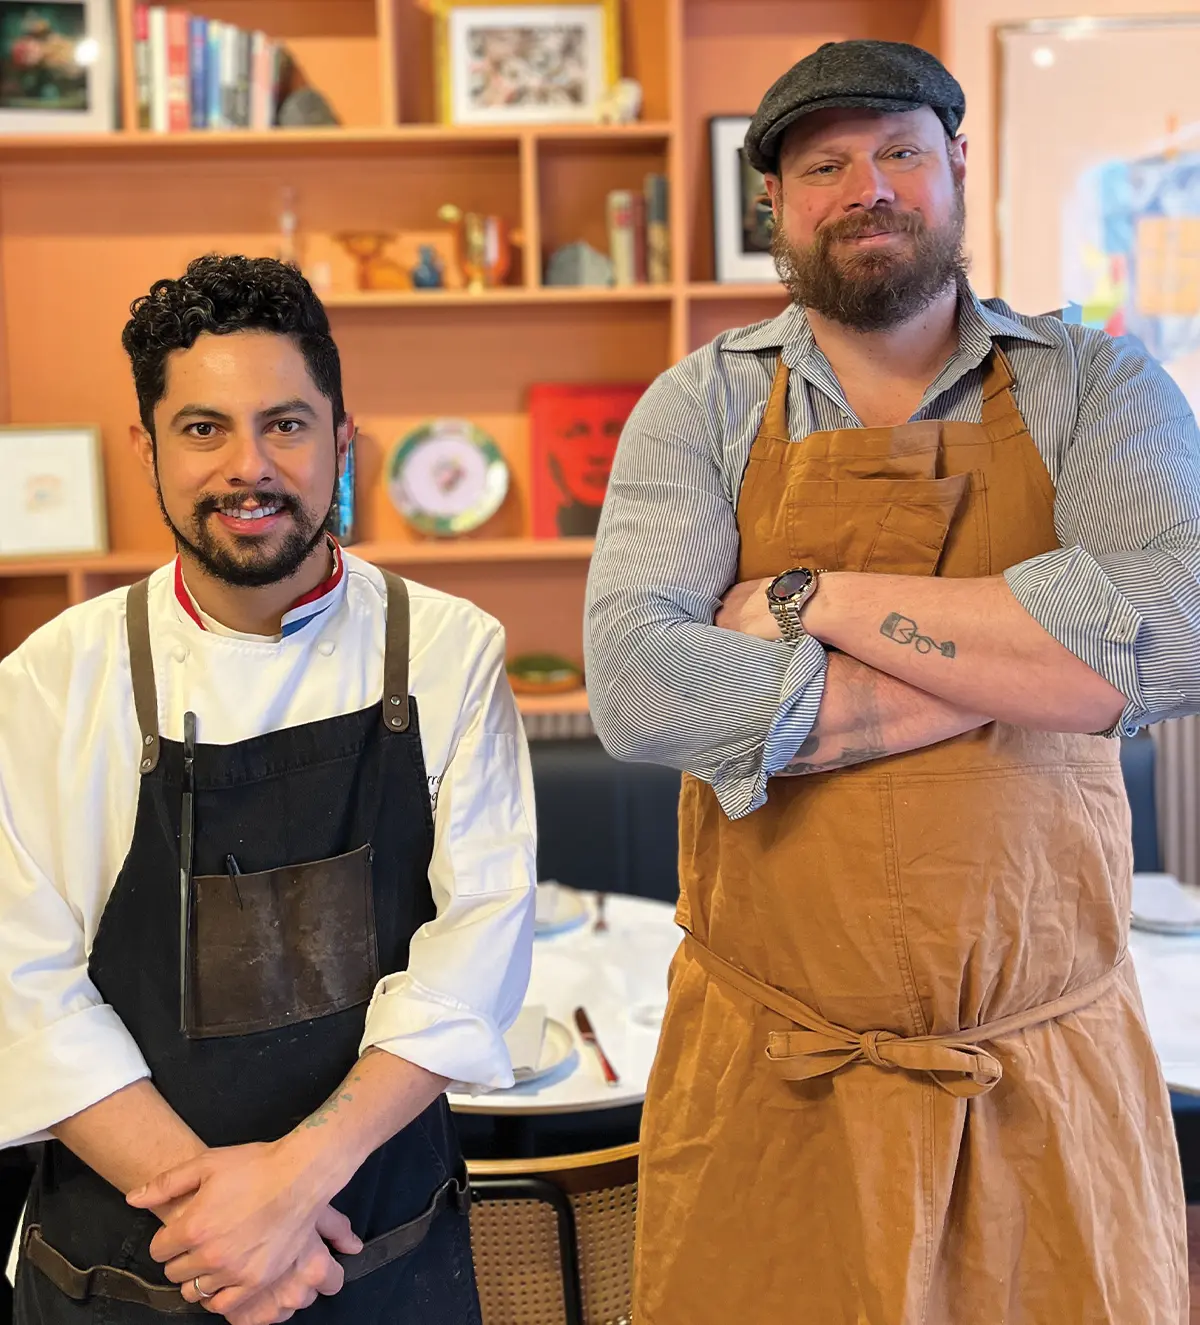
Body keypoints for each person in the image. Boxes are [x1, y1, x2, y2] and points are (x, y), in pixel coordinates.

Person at [585, 38, 1200, 1325]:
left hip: (1046, 1071)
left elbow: (1173, 631)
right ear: (775, 204)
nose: (870, 186)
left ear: (957, 165)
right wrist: (1026, 667)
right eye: (826, 164)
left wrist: (817, 603)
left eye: (901, 152)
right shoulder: (695, 409)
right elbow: (640, 681)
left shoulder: (1097, 385)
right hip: (773, 1076)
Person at [0, 254, 536, 1324]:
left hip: (371, 1239)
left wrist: (295, 1180)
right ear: (147, 448)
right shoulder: (49, 682)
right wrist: (227, 1226)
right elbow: (24, 988)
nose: (250, 466)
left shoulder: (445, 651)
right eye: (204, 429)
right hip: (133, 1259)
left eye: (287, 424)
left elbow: (477, 946)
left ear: (344, 440)